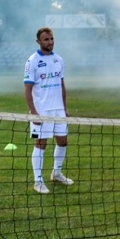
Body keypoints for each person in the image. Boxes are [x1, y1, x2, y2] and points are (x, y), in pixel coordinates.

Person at [24, 27, 73, 194]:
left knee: (63, 141)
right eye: (46, 39)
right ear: (38, 41)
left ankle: (56, 173)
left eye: (51, 38)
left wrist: (64, 108)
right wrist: (34, 112)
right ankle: (38, 181)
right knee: (41, 144)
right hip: (41, 111)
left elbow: (62, 85)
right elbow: (27, 89)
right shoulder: (32, 61)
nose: (50, 42)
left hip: (58, 111)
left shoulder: (59, 60)